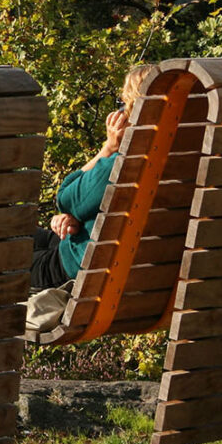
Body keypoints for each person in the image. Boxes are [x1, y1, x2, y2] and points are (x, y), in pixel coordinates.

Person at [29, 64, 154, 290]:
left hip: (77, 267)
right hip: (109, 254)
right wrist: (77, 216)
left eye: (123, 104)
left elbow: (65, 197)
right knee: (16, 233)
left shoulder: (125, 164)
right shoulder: (188, 157)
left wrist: (109, 147)